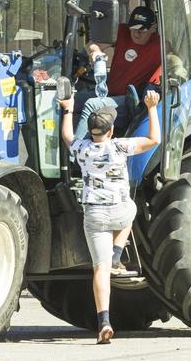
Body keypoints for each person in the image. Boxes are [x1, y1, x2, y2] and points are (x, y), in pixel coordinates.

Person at [58, 90, 161, 344]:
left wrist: (68, 109)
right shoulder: (119, 147)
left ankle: (104, 321)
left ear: (92, 132)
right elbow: (154, 139)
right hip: (118, 211)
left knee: (100, 270)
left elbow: (68, 136)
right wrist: (151, 108)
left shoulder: (82, 149)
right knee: (132, 210)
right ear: (111, 131)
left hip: (94, 215)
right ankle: (117, 253)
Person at [73, 6, 162, 139]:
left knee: (92, 105)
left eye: (142, 30)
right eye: (133, 29)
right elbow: (91, 44)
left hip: (129, 101)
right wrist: (95, 51)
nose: (136, 34)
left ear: (153, 28)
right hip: (109, 91)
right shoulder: (122, 32)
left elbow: (174, 60)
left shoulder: (160, 45)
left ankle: (76, 152)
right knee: (70, 101)